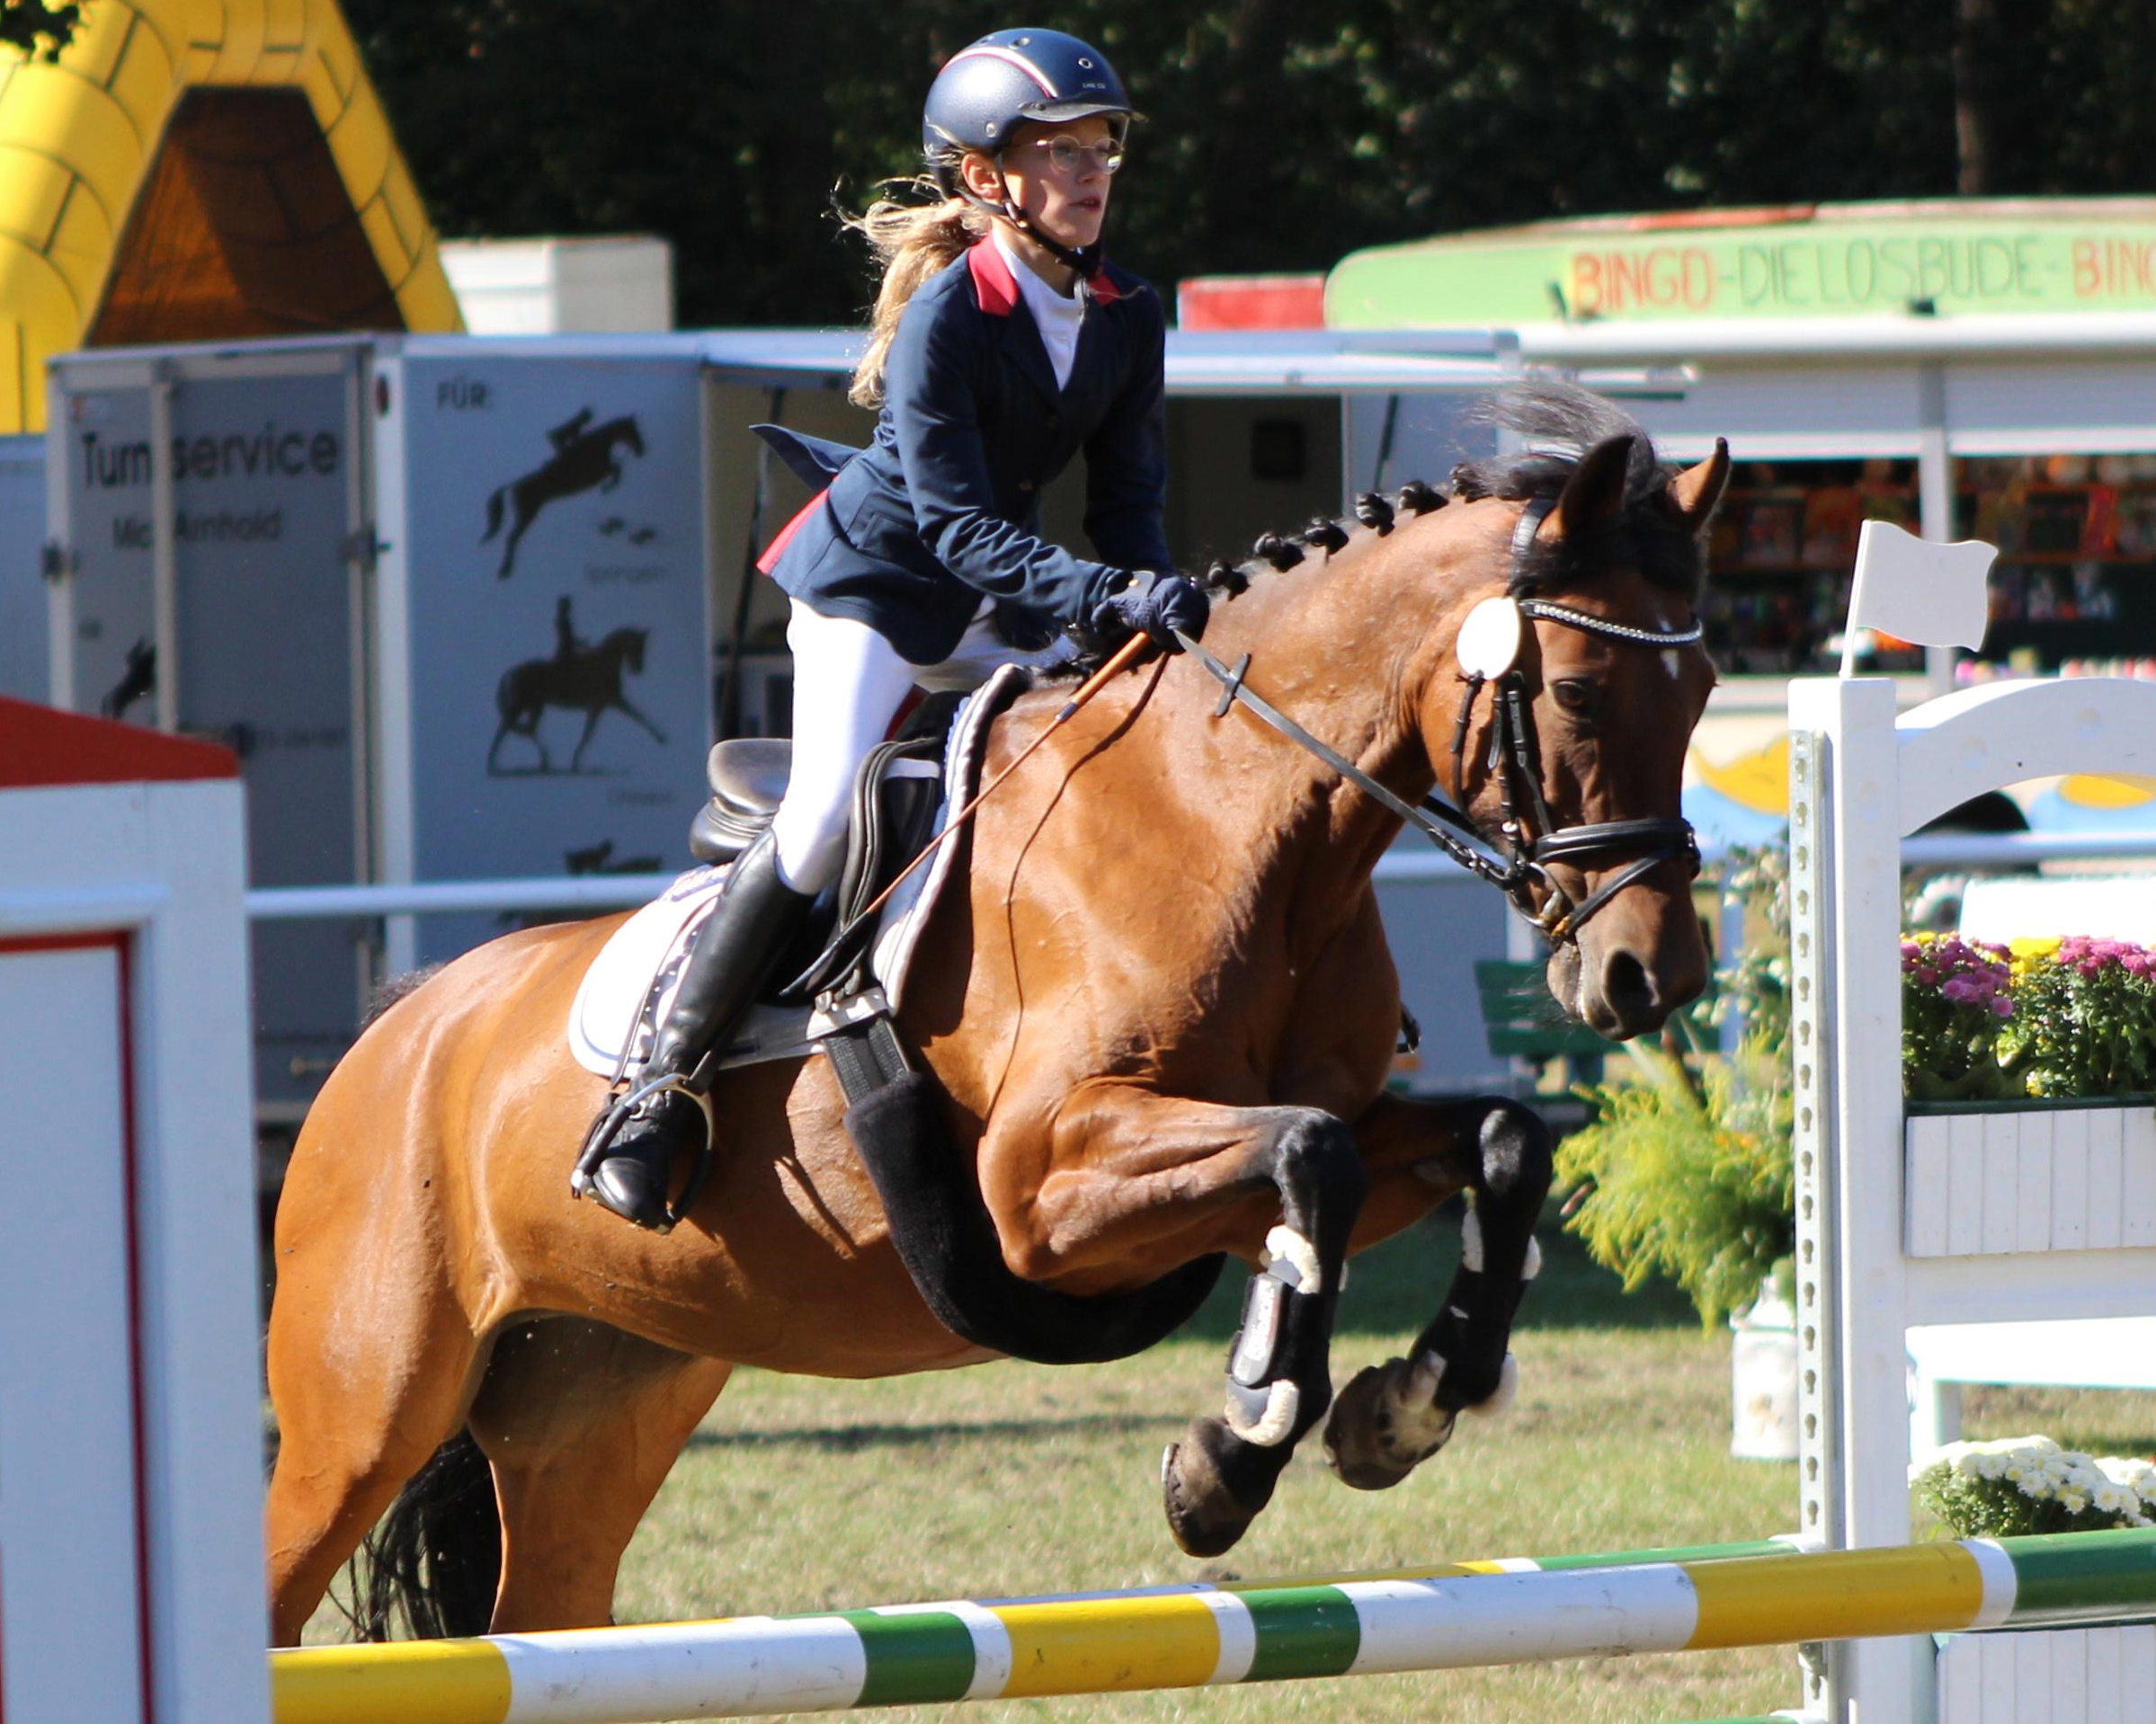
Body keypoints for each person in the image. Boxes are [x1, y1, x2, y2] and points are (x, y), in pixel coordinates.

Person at [582, 27, 1211, 1230]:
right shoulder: (948, 317)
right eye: (1057, 151)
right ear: (983, 179)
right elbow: (961, 530)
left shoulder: (1128, 311)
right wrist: (1098, 596)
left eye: (1102, 149)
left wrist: (1152, 606)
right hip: (874, 585)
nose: (1089, 172)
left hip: (997, 593)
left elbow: (1128, 502)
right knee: (822, 811)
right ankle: (658, 1089)